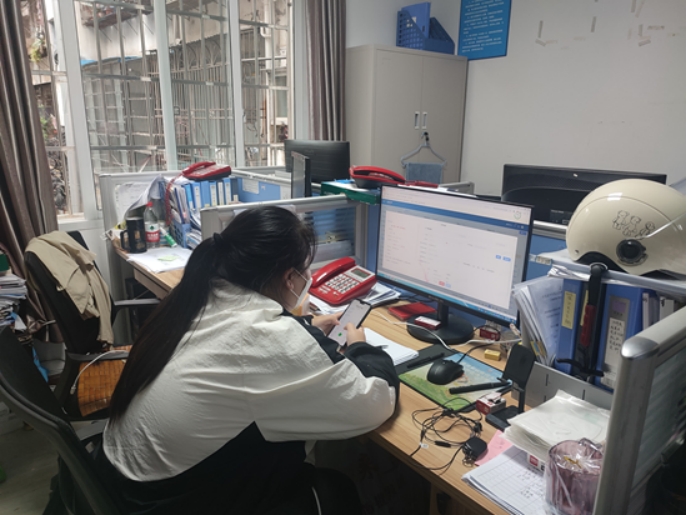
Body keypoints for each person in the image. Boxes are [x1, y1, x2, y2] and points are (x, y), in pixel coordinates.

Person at [96, 206, 399, 515]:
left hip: (115, 483)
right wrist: (361, 347)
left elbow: (245, 348)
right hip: (169, 502)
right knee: (336, 489)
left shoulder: (199, 297)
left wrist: (303, 327)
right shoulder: (263, 336)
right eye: (305, 270)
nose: (308, 278)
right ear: (289, 278)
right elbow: (373, 402)